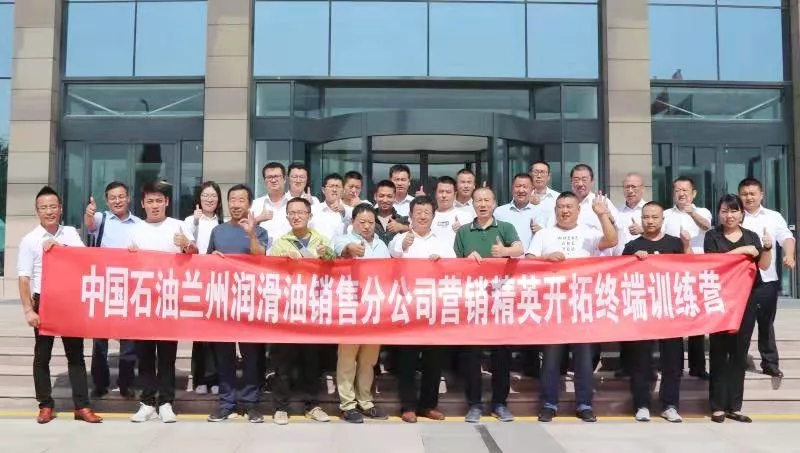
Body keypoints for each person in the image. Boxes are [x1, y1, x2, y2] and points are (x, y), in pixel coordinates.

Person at [526, 191, 618, 423]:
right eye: (561, 207)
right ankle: (549, 403)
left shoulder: (589, 233)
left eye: (569, 207)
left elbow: (612, 241)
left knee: (584, 360)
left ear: (578, 210)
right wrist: (545, 259)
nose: (565, 211)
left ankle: (584, 404)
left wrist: (602, 215)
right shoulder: (544, 234)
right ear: (555, 210)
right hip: (553, 307)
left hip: (582, 306)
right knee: (551, 360)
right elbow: (527, 261)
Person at [18, 186, 103, 424]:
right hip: (43, 301)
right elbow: (24, 278)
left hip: (70, 301)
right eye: (44, 207)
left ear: (61, 209)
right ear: (37, 211)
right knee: (42, 356)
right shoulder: (29, 240)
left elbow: (84, 261)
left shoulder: (71, 234)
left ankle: (82, 406)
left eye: (53, 206)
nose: (49, 211)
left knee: (75, 356)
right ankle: (45, 405)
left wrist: (58, 248)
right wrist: (29, 310)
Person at [128, 181, 198, 423]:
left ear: (167, 202)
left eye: (159, 200)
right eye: (150, 201)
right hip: (144, 301)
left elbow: (196, 256)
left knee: (167, 356)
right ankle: (147, 403)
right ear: (143, 204)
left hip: (169, 300)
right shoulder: (136, 230)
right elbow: (126, 264)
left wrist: (187, 245)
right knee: (145, 355)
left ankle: (166, 402)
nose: (155, 205)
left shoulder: (178, 226)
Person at [454, 187, 524, 423]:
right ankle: (474, 404)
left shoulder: (505, 227)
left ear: (494, 204)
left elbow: (520, 249)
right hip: (472, 301)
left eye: (487, 200)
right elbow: (454, 264)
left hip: (500, 302)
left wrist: (504, 251)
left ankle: (499, 404)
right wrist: (467, 261)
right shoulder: (463, 231)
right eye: (478, 201)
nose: (482, 204)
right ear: (472, 204)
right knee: (471, 356)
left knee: (501, 355)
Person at [704, 194, 771, 423]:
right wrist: (744, 251)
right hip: (720, 301)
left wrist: (767, 248)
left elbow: (763, 265)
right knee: (718, 352)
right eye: (724, 211)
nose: (729, 215)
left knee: (739, 354)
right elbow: (715, 262)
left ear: (741, 213)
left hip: (746, 301)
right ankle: (717, 406)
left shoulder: (751, 236)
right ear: (719, 213)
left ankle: (734, 406)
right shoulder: (712, 235)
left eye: (734, 211)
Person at [206, 184, 269, 424]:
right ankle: (227, 403)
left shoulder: (259, 231)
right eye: (232, 199)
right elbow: (207, 262)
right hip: (223, 301)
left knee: (251, 355)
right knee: (224, 356)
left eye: (241, 200)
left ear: (249, 204)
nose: (235, 204)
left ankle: (251, 404)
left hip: (250, 300)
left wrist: (251, 234)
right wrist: (212, 258)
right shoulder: (218, 231)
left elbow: (261, 257)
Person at [622, 201, 691, 423]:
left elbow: (689, 270)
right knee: (641, 361)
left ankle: (670, 405)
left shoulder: (674, 244)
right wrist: (633, 261)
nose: (650, 221)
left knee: (672, 361)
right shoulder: (632, 246)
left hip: (670, 311)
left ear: (663, 220)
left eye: (654, 217)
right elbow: (620, 276)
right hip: (642, 311)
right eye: (646, 217)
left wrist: (687, 245)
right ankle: (642, 404)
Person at [269, 197, 335, 425]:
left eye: (300, 212)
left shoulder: (322, 241)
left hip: (313, 312)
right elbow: (271, 272)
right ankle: (281, 408)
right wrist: (284, 261)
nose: (296, 216)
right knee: (283, 363)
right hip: (288, 311)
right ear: (287, 217)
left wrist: (327, 255)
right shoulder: (280, 243)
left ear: (309, 215)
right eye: (292, 213)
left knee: (312, 362)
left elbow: (334, 266)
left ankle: (313, 405)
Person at [389, 195, 456, 423]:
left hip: (434, 309)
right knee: (407, 361)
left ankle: (429, 405)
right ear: (410, 215)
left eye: (427, 212)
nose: (423, 216)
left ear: (433, 215)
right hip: (408, 308)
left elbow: (454, 269)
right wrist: (403, 246)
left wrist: (441, 262)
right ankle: (407, 406)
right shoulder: (401, 239)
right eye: (418, 212)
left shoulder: (443, 242)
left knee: (433, 361)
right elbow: (392, 256)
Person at [333, 204, 391, 423]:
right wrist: (350, 249)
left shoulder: (381, 245)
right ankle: (347, 405)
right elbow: (341, 249)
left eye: (370, 222)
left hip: (374, 309)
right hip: (351, 308)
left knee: (368, 360)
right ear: (353, 222)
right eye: (362, 222)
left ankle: (365, 401)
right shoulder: (343, 239)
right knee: (348, 359)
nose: (367, 226)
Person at [84, 181, 141, 399]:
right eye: (113, 198)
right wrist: (89, 213)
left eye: (121, 196)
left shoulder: (139, 224)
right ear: (107, 201)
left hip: (128, 287)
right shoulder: (102, 219)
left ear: (128, 198)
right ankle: (100, 383)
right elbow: (89, 223)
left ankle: (126, 383)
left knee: (129, 339)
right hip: (103, 286)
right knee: (100, 338)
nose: (117, 201)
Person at [739, 178, 795, 378]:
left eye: (752, 193)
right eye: (744, 194)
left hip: (767, 279)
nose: (748, 197)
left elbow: (787, 237)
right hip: (740, 280)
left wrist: (790, 255)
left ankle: (770, 363)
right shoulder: (735, 216)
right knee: (742, 324)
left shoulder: (773, 217)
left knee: (766, 323)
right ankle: (738, 361)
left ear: (761, 195)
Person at [664, 177, 712, 380]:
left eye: (685, 190)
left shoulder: (703, 212)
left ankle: (697, 367)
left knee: (696, 320)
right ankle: (673, 366)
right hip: (672, 273)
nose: (681, 193)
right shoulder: (665, 215)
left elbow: (707, 226)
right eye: (677, 190)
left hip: (696, 272)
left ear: (694, 193)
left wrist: (691, 212)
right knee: (673, 320)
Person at [184, 181, 224, 396]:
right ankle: (200, 378)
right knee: (200, 334)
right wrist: (195, 223)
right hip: (198, 281)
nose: (209, 199)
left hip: (219, 283)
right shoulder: (191, 220)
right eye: (205, 195)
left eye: (213, 196)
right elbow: (187, 246)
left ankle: (215, 377)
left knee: (217, 334)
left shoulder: (223, 222)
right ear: (199, 199)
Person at [494, 173, 550, 251]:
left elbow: (548, 238)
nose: (521, 190)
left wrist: (541, 232)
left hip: (531, 257)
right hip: (506, 257)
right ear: (512, 188)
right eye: (518, 186)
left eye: (525, 187)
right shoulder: (500, 212)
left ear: (532, 189)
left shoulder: (539, 211)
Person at [252, 162, 291, 250]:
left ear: (285, 179)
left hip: (291, 256)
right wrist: (258, 219)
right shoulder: (255, 204)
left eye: (277, 176)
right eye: (269, 177)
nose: (273, 180)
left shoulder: (295, 204)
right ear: (264, 181)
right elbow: (245, 232)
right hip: (264, 256)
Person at [431, 176, 473, 246]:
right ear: (435, 194)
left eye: (448, 192)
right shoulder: (428, 217)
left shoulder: (466, 216)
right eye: (441, 192)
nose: (444, 195)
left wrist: (463, 232)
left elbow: (472, 242)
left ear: (455, 194)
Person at [310, 173, 351, 241]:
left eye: (338, 187)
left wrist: (343, 211)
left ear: (343, 190)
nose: (334, 190)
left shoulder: (349, 211)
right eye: (331, 186)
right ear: (323, 190)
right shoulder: (313, 210)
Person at [373, 180, 410, 245]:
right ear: (375, 196)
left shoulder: (402, 220)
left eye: (389, 196)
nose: (385, 200)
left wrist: (402, 227)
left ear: (394, 197)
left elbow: (417, 231)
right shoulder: (369, 219)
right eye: (381, 196)